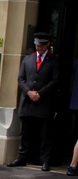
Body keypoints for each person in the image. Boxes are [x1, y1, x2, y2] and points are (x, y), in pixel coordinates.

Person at [8, 32, 59, 171]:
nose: (38, 48)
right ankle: (22, 157)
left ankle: (45, 160)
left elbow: (55, 81)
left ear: (48, 44)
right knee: (25, 132)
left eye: (41, 46)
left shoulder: (53, 61)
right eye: (37, 45)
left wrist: (40, 93)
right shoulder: (28, 59)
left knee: (45, 134)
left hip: (44, 102)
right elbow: (21, 79)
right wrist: (28, 92)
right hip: (27, 101)